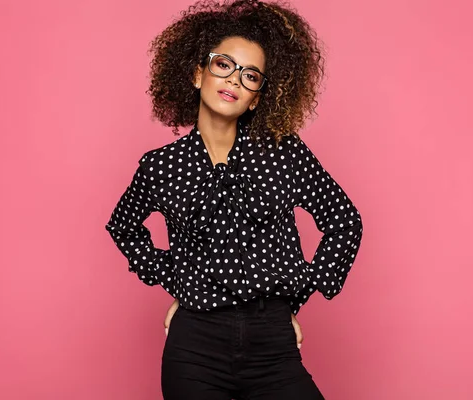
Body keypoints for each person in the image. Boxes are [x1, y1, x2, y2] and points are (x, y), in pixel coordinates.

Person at [104, 0, 364, 398]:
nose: (235, 81)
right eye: (224, 65)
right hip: (194, 348)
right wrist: (177, 279)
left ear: (256, 98)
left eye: (251, 75)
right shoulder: (161, 166)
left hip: (272, 343)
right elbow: (122, 225)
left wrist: (297, 297)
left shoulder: (283, 153)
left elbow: (344, 221)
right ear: (197, 74)